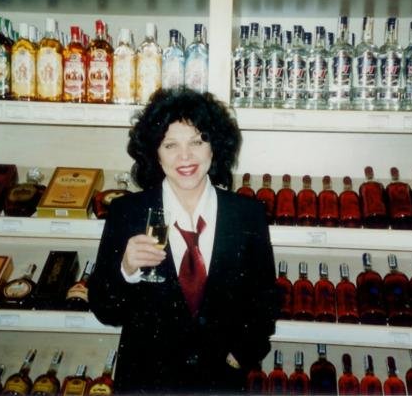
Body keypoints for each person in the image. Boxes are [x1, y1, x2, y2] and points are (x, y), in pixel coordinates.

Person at [88, 88, 278, 394]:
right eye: (170, 145)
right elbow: (104, 310)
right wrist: (126, 270)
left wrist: (240, 357)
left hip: (219, 384)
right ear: (155, 152)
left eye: (197, 142)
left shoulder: (247, 215)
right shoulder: (128, 212)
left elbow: (265, 301)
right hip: (146, 384)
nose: (185, 156)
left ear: (214, 146)